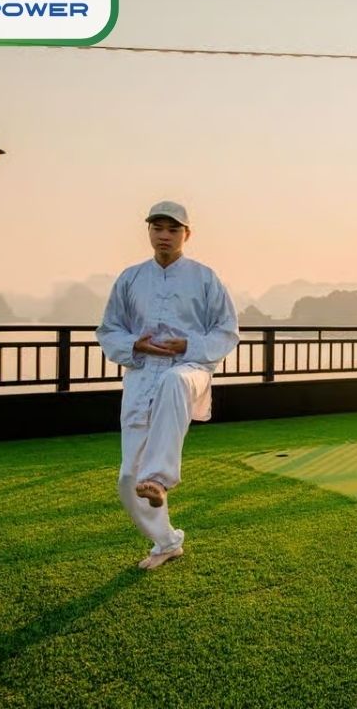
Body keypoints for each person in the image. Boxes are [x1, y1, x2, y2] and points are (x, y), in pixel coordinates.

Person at [96, 201, 239, 569]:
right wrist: (134, 345)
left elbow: (226, 331)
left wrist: (189, 345)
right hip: (143, 374)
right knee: (129, 477)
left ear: (186, 235)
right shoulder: (130, 278)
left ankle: (160, 478)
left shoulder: (205, 278)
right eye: (158, 228)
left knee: (175, 382)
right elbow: (109, 328)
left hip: (189, 366)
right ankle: (166, 542)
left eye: (173, 229)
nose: (164, 236)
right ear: (148, 232)